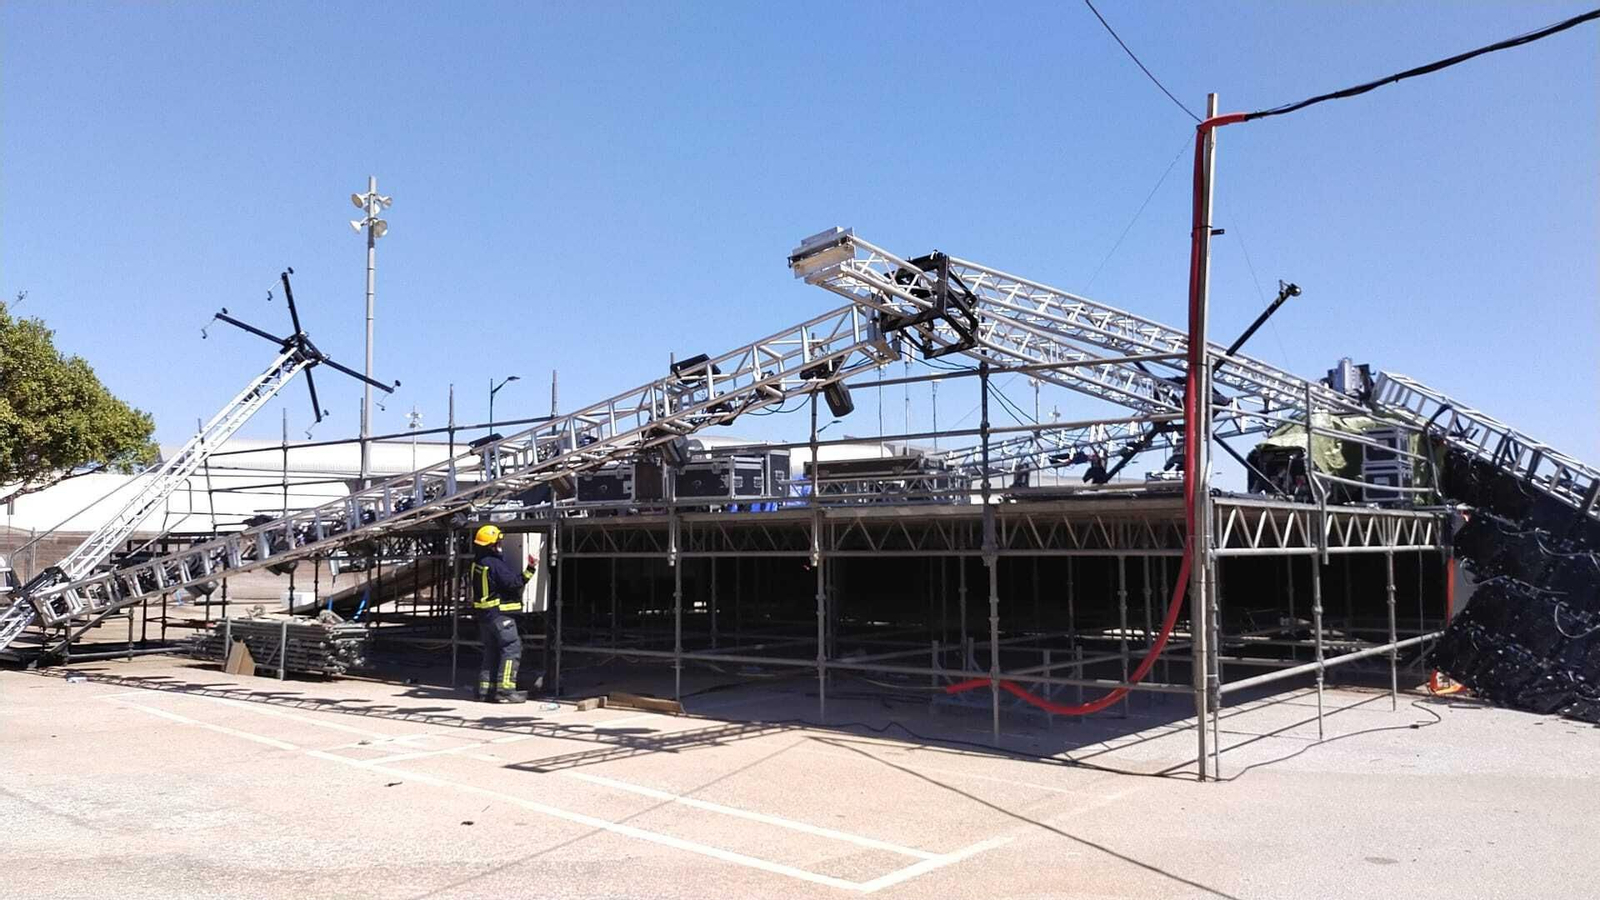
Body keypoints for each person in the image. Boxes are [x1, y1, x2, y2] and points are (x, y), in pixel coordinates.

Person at [468, 524, 537, 703]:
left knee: (491, 651)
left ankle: (485, 690)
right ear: (491, 545)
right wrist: (531, 568)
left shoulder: (477, 563)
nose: (500, 545)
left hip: (484, 616)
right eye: (498, 542)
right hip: (500, 615)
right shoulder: (495, 564)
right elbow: (513, 583)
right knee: (512, 648)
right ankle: (506, 690)